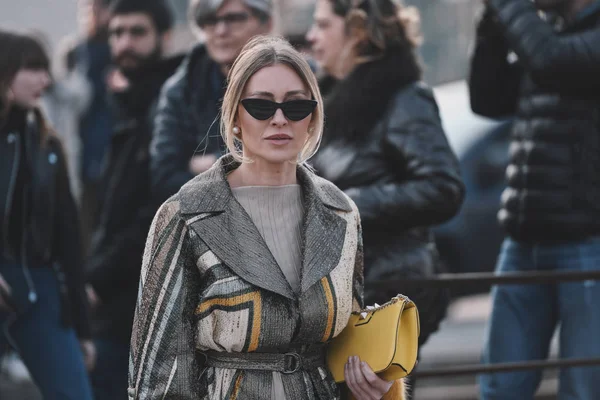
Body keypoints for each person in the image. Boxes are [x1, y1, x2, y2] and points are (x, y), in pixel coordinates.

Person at [128, 35, 406, 400]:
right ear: (235, 118)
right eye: (261, 106)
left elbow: (346, 345)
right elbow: (159, 372)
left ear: (312, 117)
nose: (279, 119)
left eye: (296, 107)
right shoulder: (186, 215)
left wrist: (373, 384)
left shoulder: (340, 213)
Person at [306, 0, 464, 393]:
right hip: (344, 290)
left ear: (358, 31)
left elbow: (443, 188)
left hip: (386, 291)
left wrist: (348, 203)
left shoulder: (404, 97)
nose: (311, 36)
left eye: (323, 25)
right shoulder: (330, 96)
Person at [469, 0, 600, 398]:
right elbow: (488, 99)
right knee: (500, 386)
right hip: (524, 241)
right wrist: (491, 25)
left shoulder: (561, 43)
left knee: (584, 388)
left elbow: (552, 62)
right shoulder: (547, 32)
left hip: (589, 243)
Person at [84, 0, 184, 399]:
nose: (124, 43)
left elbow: (162, 209)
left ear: (164, 37)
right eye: (117, 33)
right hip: (114, 292)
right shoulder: (127, 101)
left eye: (137, 32)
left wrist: (100, 278)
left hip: (143, 299)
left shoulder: (169, 102)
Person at [0, 30, 95, 400]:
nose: (45, 79)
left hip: (39, 290)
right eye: (33, 68)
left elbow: (67, 238)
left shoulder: (46, 144)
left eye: (46, 69)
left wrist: (82, 331)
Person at [150, 0, 273, 205]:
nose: (221, 30)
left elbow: (294, 164)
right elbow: (165, 180)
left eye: (234, 18)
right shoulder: (181, 90)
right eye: (210, 20)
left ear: (266, 23)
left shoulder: (295, 82)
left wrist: (209, 163)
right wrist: (240, 163)